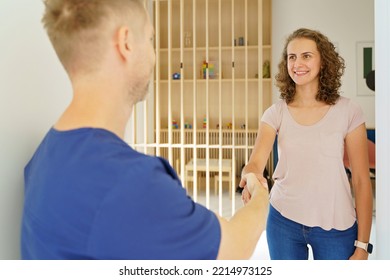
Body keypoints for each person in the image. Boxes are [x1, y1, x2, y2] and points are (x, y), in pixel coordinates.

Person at [20, 0, 269, 260]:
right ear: (126, 42)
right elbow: (233, 250)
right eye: (150, 38)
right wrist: (261, 197)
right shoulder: (133, 182)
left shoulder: (43, 157)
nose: (153, 54)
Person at [240, 28, 373, 260]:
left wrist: (362, 245)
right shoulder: (275, 113)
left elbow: (362, 180)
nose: (297, 63)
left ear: (324, 61)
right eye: (292, 57)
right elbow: (254, 164)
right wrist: (252, 178)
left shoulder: (348, 111)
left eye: (306, 56)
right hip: (283, 221)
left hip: (336, 226)